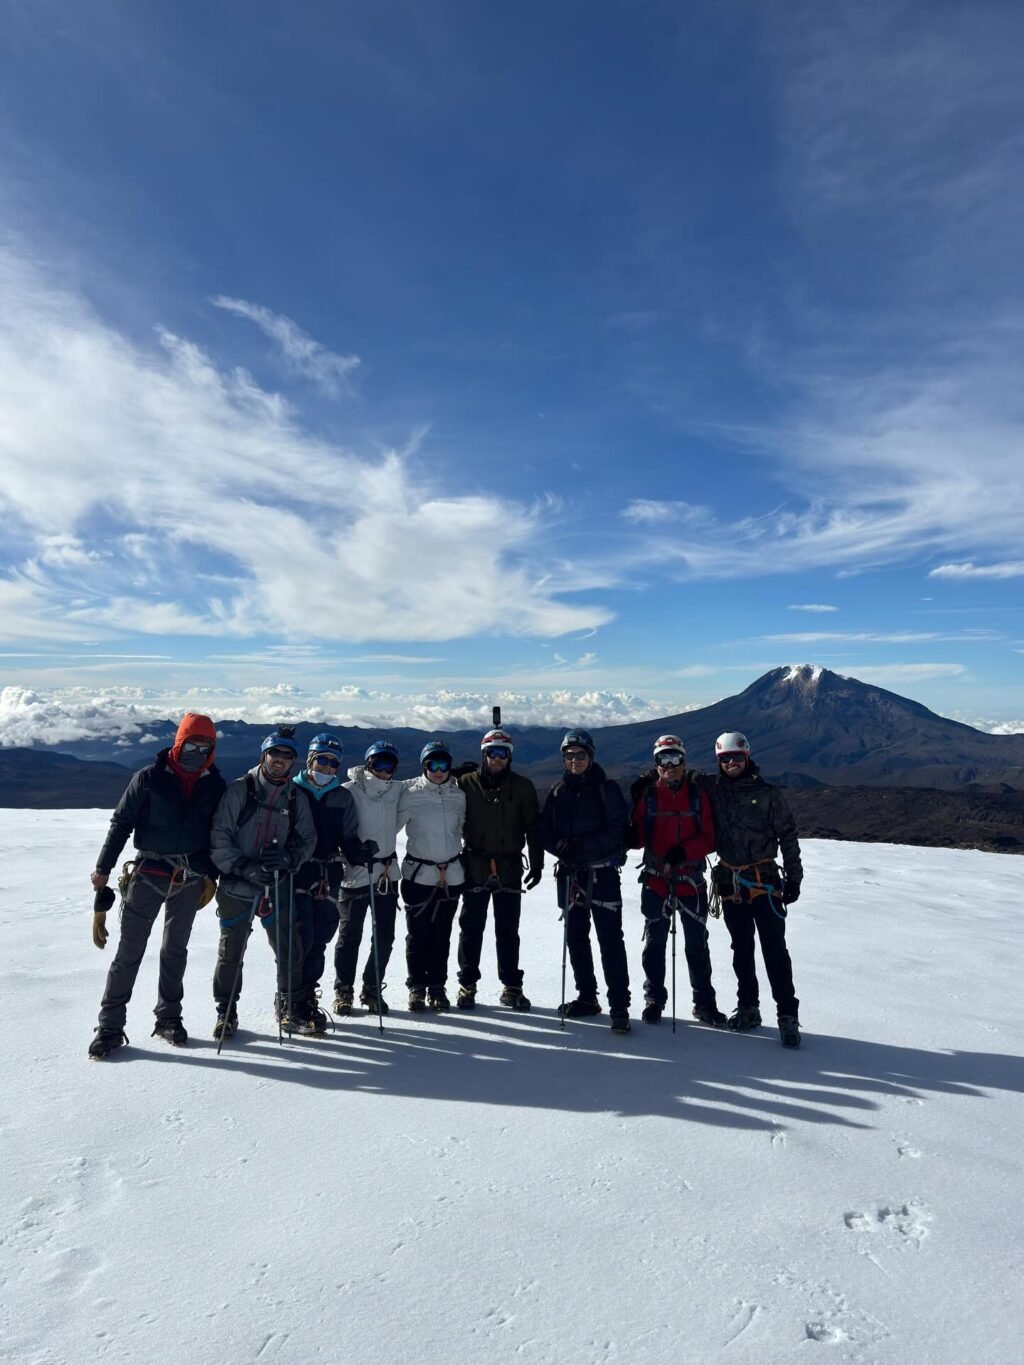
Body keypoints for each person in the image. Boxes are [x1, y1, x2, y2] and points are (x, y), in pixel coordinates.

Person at [87, 713, 226, 1058]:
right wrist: (103, 868)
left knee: (174, 951)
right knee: (129, 952)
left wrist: (210, 873)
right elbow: (121, 823)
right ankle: (110, 1027)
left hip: (190, 878)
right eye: (191, 745)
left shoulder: (214, 784)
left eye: (205, 747)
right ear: (179, 743)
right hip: (149, 873)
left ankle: (168, 1018)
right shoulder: (149, 778)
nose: (197, 753)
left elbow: (218, 833)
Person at [209, 726, 316, 1037]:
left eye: (287, 755)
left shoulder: (295, 797)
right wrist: (243, 867)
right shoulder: (239, 791)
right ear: (263, 755)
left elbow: (308, 839)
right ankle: (226, 1010)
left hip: (277, 884)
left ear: (294, 761)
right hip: (237, 884)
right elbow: (219, 836)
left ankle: (288, 1006)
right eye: (275, 753)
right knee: (231, 952)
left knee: (288, 949)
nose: (280, 759)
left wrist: (288, 859)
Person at [706, 731, 803, 1048]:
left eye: (737, 757)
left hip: (764, 881)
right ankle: (748, 1007)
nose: (731, 763)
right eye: (725, 759)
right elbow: (677, 777)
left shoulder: (768, 793)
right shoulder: (713, 789)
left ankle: (787, 1015)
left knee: (774, 950)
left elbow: (787, 835)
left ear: (747, 757)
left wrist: (794, 877)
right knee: (742, 949)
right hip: (731, 883)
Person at [537, 729, 632, 1034]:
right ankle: (587, 997)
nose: (574, 760)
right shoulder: (558, 791)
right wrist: (558, 847)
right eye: (569, 756)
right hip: (571, 874)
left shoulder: (607, 790)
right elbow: (544, 830)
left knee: (610, 940)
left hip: (602, 874)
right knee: (576, 938)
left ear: (590, 756)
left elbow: (617, 831)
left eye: (580, 755)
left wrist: (578, 846)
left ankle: (619, 1005)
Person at [629, 735, 724, 1027]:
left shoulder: (697, 796)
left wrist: (684, 851)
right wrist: (627, 827)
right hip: (657, 879)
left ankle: (704, 1003)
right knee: (655, 943)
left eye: (674, 759)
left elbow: (709, 837)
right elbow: (637, 838)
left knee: (697, 945)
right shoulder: (648, 795)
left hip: (689, 879)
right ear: (656, 763)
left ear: (684, 761)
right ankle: (654, 999)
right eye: (663, 759)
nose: (669, 766)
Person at [454, 727, 543, 1011]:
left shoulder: (523, 787)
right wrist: (451, 776)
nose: (497, 758)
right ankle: (467, 984)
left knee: (507, 930)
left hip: (509, 866)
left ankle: (511, 986)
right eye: (492, 752)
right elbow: (437, 795)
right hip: (475, 864)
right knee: (471, 928)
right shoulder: (465, 783)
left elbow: (533, 828)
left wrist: (537, 863)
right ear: (484, 754)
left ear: (510, 756)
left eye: (503, 753)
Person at [291, 733, 368, 1033]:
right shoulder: (292, 790)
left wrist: (358, 851)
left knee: (321, 937)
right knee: (299, 937)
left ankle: (307, 996)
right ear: (310, 759)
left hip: (327, 874)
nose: (326, 767)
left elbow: (347, 835)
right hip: (296, 871)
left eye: (333, 763)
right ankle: (290, 999)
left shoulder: (341, 797)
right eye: (321, 760)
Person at [333, 739, 403, 1016]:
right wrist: (348, 850)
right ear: (368, 764)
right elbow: (336, 827)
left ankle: (372, 987)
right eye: (379, 764)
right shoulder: (348, 791)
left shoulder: (397, 789)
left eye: (389, 766)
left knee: (384, 936)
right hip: (355, 871)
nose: (384, 771)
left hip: (386, 873)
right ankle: (344, 989)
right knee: (350, 934)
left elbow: (426, 788)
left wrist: (457, 778)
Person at [396, 739, 466, 1012]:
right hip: (419, 876)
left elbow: (466, 828)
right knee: (417, 934)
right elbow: (387, 817)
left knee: (442, 934)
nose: (438, 771)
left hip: (451, 876)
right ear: (424, 766)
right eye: (432, 765)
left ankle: (437, 986)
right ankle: (417, 987)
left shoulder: (459, 795)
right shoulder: (410, 793)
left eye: (443, 765)